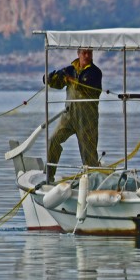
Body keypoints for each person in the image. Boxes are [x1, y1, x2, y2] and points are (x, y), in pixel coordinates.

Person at [43, 49, 102, 181]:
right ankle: (48, 176)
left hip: (87, 119)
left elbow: (88, 88)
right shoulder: (70, 69)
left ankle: (94, 182)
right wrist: (49, 79)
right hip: (69, 116)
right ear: (78, 54)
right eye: (84, 53)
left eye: (89, 53)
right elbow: (58, 83)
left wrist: (72, 80)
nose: (87, 56)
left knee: (89, 155)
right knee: (53, 140)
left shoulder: (95, 72)